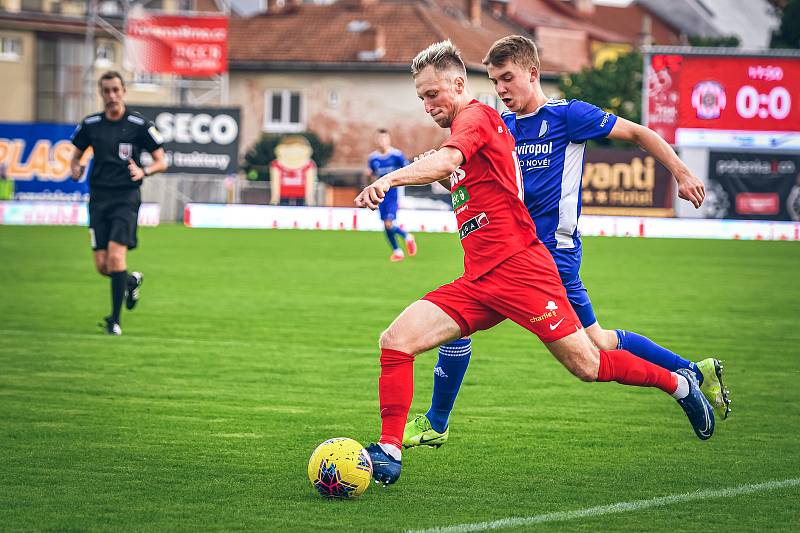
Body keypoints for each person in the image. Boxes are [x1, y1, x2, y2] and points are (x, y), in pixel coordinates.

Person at [354, 40, 715, 487]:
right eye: (422, 98)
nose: (428, 105)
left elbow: (452, 158)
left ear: (458, 85)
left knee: (590, 363)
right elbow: (477, 179)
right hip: (482, 278)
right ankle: (391, 450)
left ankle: (679, 384)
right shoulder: (496, 124)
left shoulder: (481, 117)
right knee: (396, 340)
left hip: (526, 269)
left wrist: (391, 179)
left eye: (433, 95)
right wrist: (447, 176)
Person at [70, 71, 167, 335]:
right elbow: (76, 155)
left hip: (126, 197)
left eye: (116, 90)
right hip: (99, 198)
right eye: (106, 91)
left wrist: (144, 171)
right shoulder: (91, 124)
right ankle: (130, 281)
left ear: (124, 91)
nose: (111, 96)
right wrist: (75, 167)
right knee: (103, 266)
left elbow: (162, 160)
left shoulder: (139, 124)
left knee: (115, 256)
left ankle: (114, 321)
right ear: (101, 93)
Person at [367, 129, 417, 261]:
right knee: (385, 224)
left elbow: (408, 171)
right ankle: (397, 251)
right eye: (380, 139)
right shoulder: (373, 158)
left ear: (388, 140)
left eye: (384, 139)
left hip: (394, 193)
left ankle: (407, 237)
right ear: (376, 141)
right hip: (381, 195)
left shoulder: (396, 155)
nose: (382, 142)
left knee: (388, 223)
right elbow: (372, 176)